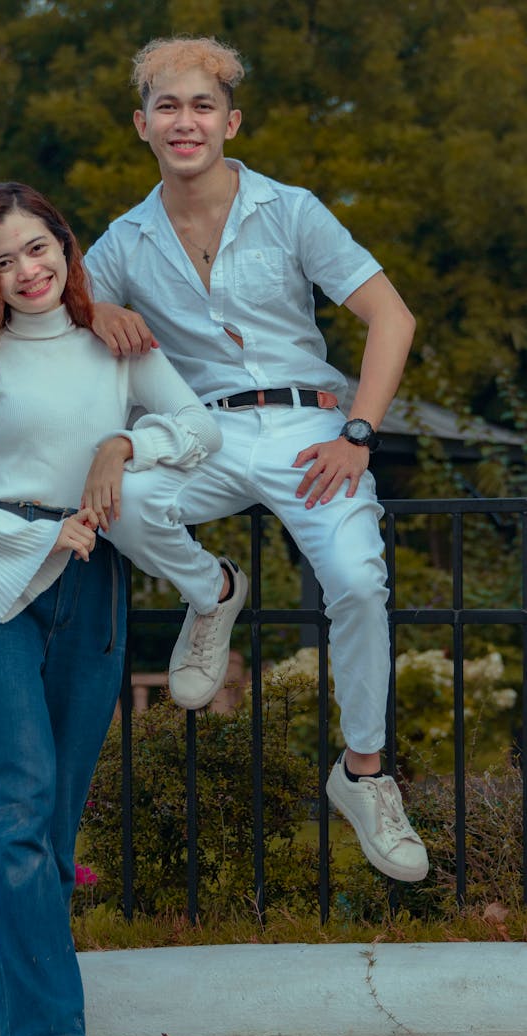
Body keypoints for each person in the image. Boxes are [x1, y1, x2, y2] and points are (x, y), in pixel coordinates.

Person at [0, 181, 226, 1036]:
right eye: (3, 260)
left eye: (38, 248)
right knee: (17, 815)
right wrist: (27, 535)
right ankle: (54, 1032)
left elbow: (196, 427)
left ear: (65, 247)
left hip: (94, 585)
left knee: (51, 822)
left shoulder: (114, 344)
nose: (26, 271)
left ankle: (21, 1030)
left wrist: (122, 451)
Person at [84, 36, 429, 884]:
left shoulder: (293, 209)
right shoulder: (124, 241)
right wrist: (94, 314)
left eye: (202, 106)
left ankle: (362, 773)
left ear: (229, 121)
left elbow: (393, 317)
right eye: (168, 106)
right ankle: (214, 591)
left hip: (311, 429)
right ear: (143, 124)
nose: (185, 121)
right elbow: (54, 309)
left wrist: (358, 432)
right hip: (201, 432)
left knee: (355, 582)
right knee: (118, 495)